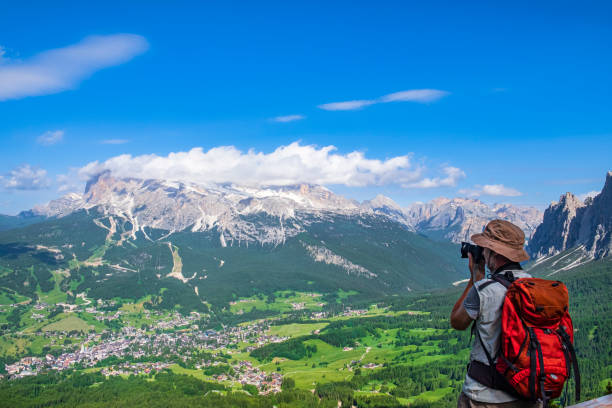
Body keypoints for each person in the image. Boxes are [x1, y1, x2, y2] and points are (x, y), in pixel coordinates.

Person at [450, 219, 541, 408]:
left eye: (484, 248)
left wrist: (474, 279)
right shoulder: (534, 286)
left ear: (494, 252)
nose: (482, 252)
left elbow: (457, 322)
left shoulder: (485, 290)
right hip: (526, 393)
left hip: (484, 397)